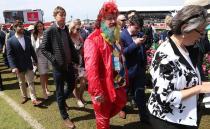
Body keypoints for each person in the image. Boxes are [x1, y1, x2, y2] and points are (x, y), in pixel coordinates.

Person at [147, 5, 210, 129]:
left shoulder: (184, 48)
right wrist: (199, 88)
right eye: (201, 31)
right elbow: (165, 97)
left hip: (184, 117)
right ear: (185, 28)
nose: (202, 36)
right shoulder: (166, 56)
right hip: (169, 121)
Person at [84, 1, 127, 129]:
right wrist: (97, 92)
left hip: (116, 81)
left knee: (120, 103)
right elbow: (91, 69)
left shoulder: (115, 35)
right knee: (102, 117)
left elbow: (119, 58)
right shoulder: (93, 39)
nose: (113, 21)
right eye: (109, 18)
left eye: (114, 18)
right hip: (102, 86)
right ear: (101, 20)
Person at [40, 6, 79, 129]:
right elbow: (43, 49)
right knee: (60, 91)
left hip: (68, 65)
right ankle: (65, 117)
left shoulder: (65, 28)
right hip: (58, 67)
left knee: (72, 85)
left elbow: (69, 46)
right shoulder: (49, 30)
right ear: (55, 16)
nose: (63, 17)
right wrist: (54, 60)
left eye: (64, 14)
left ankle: (61, 100)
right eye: (61, 14)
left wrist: (76, 58)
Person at [120, 13, 149, 123]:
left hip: (139, 70)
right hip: (126, 71)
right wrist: (135, 44)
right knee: (123, 92)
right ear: (129, 24)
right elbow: (121, 53)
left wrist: (144, 65)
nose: (138, 30)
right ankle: (122, 108)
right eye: (136, 28)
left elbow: (142, 51)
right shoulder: (121, 36)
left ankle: (144, 117)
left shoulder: (140, 33)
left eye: (139, 28)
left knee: (140, 94)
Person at [6, 20, 42, 106]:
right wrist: (13, 67)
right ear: (15, 28)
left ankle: (34, 99)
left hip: (28, 64)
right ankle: (25, 96)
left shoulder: (27, 38)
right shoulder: (10, 41)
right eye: (20, 26)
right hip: (18, 66)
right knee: (21, 82)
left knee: (31, 82)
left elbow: (32, 51)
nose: (22, 28)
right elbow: (9, 55)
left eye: (22, 26)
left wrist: (36, 60)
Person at [69, 19, 86, 108]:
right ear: (72, 28)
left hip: (81, 63)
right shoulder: (68, 38)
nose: (79, 30)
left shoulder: (80, 37)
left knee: (83, 82)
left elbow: (83, 49)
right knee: (74, 83)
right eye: (77, 29)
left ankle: (80, 96)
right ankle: (78, 99)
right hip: (72, 64)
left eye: (79, 29)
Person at [31, 21, 50, 100]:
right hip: (39, 57)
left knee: (46, 73)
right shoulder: (33, 35)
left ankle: (46, 87)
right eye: (38, 26)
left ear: (43, 26)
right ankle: (44, 91)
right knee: (42, 74)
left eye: (41, 26)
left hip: (48, 57)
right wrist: (33, 60)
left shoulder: (47, 33)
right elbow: (32, 48)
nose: (39, 28)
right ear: (36, 27)